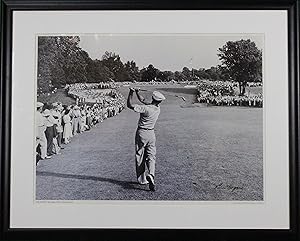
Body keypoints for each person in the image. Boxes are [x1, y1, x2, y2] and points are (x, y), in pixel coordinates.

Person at [127, 87, 165, 191]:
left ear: (153, 98)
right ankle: (151, 174)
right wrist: (138, 93)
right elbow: (143, 100)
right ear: (160, 101)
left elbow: (129, 105)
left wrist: (131, 93)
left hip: (142, 133)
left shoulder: (146, 109)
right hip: (151, 133)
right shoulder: (157, 109)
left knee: (140, 155)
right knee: (151, 156)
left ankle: (142, 179)